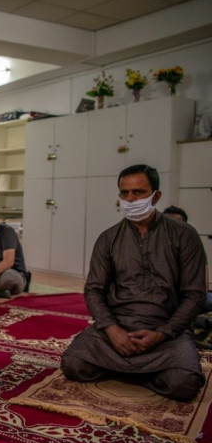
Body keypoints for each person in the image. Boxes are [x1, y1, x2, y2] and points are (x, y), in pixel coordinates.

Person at [61, 164, 207, 401]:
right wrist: (112, 329)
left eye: (138, 192)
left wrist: (163, 333)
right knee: (74, 364)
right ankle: (142, 371)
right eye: (124, 193)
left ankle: (126, 369)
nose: (130, 199)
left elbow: (195, 294)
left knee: (185, 383)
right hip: (116, 329)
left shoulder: (184, 235)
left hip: (167, 332)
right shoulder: (108, 238)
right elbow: (94, 290)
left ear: (155, 195)